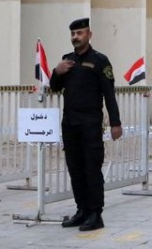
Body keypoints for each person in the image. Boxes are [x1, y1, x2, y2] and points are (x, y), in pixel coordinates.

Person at [50, 18, 123, 232]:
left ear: (89, 35)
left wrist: (115, 123)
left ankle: (95, 213)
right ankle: (81, 210)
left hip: (90, 123)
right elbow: (54, 88)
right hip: (70, 123)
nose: (76, 37)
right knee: (75, 168)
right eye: (73, 33)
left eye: (80, 33)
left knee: (92, 168)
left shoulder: (100, 61)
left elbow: (109, 94)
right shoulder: (67, 60)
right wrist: (57, 72)